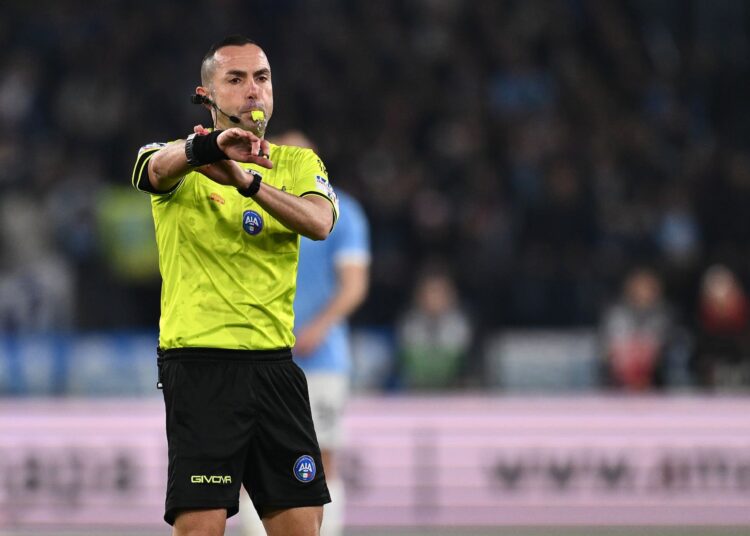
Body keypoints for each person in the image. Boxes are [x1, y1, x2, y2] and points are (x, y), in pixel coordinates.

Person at [130, 35, 338, 536]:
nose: (252, 89)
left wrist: (247, 181)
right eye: (236, 79)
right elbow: (155, 170)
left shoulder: (298, 163)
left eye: (262, 78)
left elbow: (319, 222)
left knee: (302, 529)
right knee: (200, 528)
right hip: (201, 366)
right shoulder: (175, 156)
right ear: (207, 93)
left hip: (275, 365)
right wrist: (207, 150)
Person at [240, 131, 370, 536]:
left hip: (322, 360)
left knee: (322, 456)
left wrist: (317, 327)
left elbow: (354, 285)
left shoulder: (342, 210)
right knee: (252, 458)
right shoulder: (251, 203)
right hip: (260, 353)